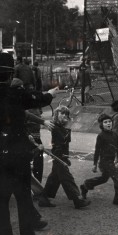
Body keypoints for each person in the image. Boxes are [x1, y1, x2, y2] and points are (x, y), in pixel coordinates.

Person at [0, 52, 58, 235]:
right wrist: (49, 94)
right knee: (23, 196)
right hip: (18, 153)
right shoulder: (16, 93)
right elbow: (35, 98)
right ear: (11, 74)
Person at [40, 105, 90, 209]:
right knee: (67, 178)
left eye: (66, 114)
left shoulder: (62, 127)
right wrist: (64, 157)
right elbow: (60, 144)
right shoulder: (56, 127)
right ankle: (77, 200)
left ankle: (43, 198)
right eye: (61, 113)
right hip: (59, 156)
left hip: (61, 156)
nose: (64, 115)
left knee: (55, 177)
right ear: (56, 115)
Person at [80, 114, 118, 206]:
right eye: (105, 122)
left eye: (109, 121)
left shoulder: (115, 134)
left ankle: (85, 185)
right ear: (101, 125)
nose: (108, 124)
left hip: (112, 161)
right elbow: (97, 150)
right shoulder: (101, 136)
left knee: (104, 179)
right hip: (104, 162)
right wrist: (94, 164)